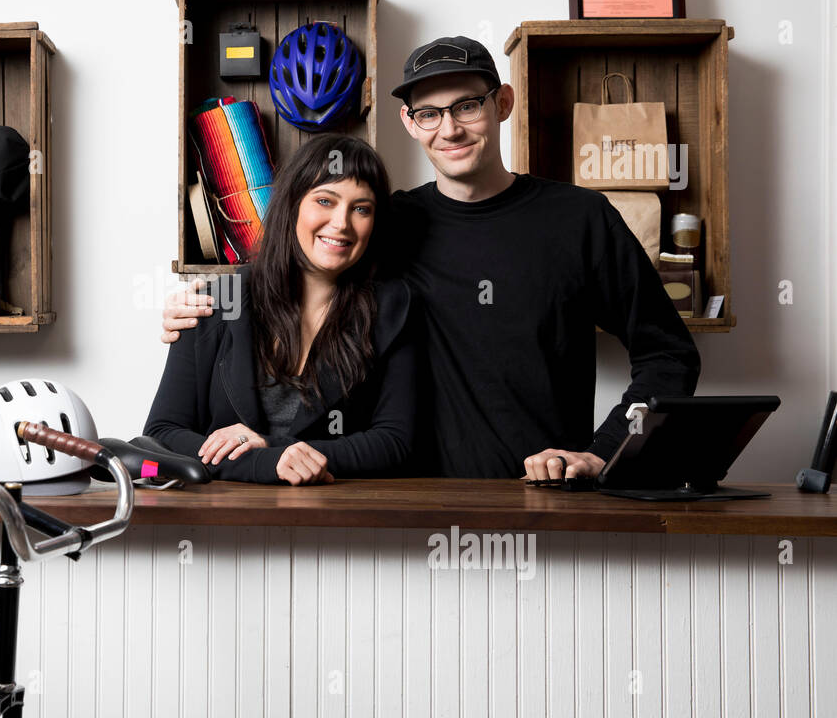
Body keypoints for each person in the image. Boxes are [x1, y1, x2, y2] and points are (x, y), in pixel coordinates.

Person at [162, 35, 700, 481]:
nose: (450, 128)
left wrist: (605, 452)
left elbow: (668, 355)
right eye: (429, 113)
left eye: (467, 105)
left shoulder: (580, 220)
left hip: (546, 496)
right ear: (409, 122)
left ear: (502, 104)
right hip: (409, 500)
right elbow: (301, 265)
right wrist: (201, 308)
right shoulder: (388, 223)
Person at [144, 135, 424, 485]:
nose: (341, 223)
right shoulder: (220, 298)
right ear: (292, 205)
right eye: (325, 200)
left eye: (361, 208)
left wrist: (276, 446)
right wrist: (265, 463)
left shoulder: (392, 308)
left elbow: (395, 443)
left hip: (340, 525)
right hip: (215, 525)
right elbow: (160, 436)